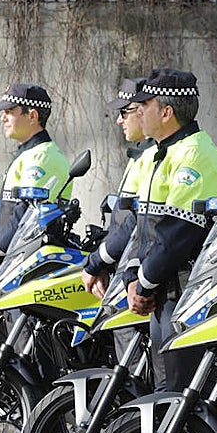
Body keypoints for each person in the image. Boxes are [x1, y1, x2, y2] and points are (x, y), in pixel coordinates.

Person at [84, 68, 217, 392]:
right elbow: (144, 229)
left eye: (144, 105)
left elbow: (176, 234)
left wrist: (142, 283)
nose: (137, 111)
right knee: (166, 389)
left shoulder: (194, 155)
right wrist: (133, 277)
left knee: (178, 393)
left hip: (185, 290)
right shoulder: (164, 154)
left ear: (166, 112)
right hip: (165, 290)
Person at [0, 83, 72, 273]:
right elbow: (8, 212)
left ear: (32, 116)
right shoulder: (27, 154)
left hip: (29, 266)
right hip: (13, 260)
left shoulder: (42, 156)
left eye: (10, 111)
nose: (3, 117)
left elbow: (25, 212)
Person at [82, 77, 156, 300]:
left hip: (137, 276)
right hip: (124, 267)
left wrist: (97, 262)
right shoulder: (142, 154)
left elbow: (137, 222)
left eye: (124, 112)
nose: (118, 120)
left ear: (144, 111)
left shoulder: (154, 157)